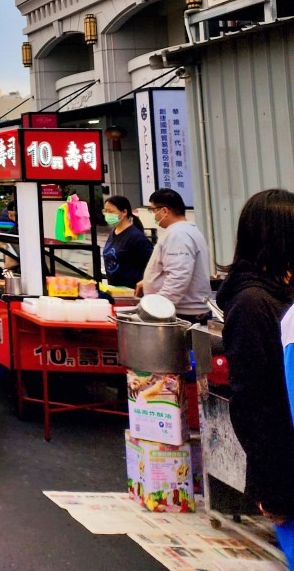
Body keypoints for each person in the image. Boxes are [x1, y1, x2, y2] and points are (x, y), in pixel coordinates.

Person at [215, 189, 294, 562]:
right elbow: (255, 402)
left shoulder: (279, 291)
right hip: (286, 469)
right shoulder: (252, 304)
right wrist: (274, 489)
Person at [138, 188, 212, 321]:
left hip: (183, 314)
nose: (153, 215)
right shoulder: (184, 231)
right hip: (181, 310)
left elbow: (178, 276)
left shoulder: (178, 234)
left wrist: (158, 308)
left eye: (153, 210)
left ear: (165, 211)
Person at [100, 195, 153, 289]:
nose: (107, 215)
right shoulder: (113, 232)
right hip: (115, 290)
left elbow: (152, 266)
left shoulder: (136, 237)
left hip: (133, 291)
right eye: (105, 211)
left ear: (124, 212)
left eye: (111, 211)